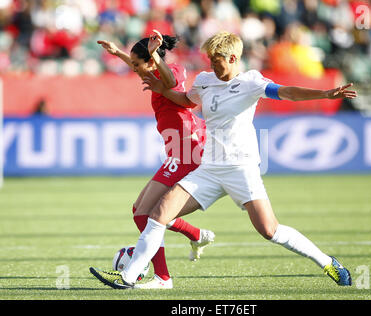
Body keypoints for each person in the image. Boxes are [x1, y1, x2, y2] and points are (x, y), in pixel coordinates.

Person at [90, 31, 356, 289]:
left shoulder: (252, 82)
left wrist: (324, 93)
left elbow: (287, 92)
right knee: (159, 214)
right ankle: (129, 278)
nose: (213, 68)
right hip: (208, 168)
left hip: (241, 169)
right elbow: (185, 100)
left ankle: (327, 262)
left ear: (233, 59)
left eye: (217, 62)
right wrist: (162, 88)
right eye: (210, 62)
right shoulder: (205, 80)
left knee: (269, 230)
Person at [94, 30, 215, 289]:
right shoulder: (153, 71)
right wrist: (119, 54)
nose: (136, 70)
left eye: (139, 65)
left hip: (189, 149)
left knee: (144, 212)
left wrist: (152, 57)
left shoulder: (171, 71)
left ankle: (163, 277)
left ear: (151, 60)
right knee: (143, 211)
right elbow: (148, 69)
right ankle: (196, 235)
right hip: (178, 152)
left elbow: (170, 82)